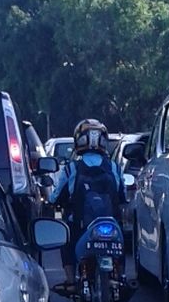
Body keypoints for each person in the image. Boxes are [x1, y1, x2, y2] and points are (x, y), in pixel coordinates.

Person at [48, 118, 126, 287]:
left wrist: (52, 202)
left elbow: (56, 196)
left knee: (66, 239)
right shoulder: (114, 167)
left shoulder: (71, 168)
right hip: (111, 224)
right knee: (121, 242)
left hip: (80, 225)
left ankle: (70, 280)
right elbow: (123, 195)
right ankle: (120, 275)